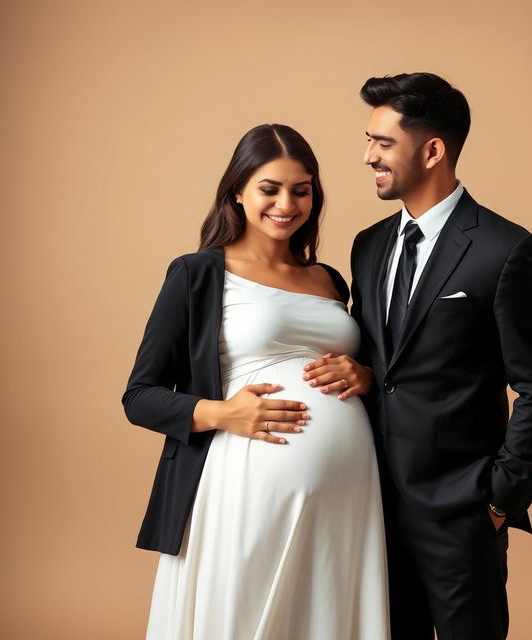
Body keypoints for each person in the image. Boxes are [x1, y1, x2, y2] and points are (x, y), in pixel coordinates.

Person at [303, 73, 532, 639]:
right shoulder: (369, 245)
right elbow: (394, 366)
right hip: (369, 503)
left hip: (461, 512)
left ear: (432, 150)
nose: (367, 156)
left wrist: (499, 499)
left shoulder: (507, 250)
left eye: (382, 143)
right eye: (368, 140)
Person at [121, 124, 390, 640]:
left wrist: (366, 374)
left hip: (346, 494)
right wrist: (223, 413)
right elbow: (139, 397)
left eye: (301, 189)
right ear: (238, 191)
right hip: (243, 486)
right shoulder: (197, 273)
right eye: (270, 188)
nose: (286, 203)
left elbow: (371, 369)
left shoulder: (329, 279)